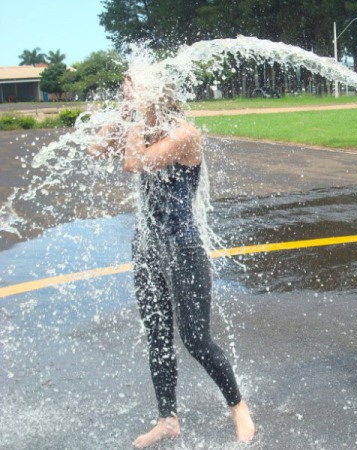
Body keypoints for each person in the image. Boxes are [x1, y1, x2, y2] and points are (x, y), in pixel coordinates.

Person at [89, 75, 256, 447]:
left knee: (196, 339)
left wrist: (132, 119)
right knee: (158, 335)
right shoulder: (142, 129)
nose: (130, 97)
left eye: (136, 91)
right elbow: (96, 148)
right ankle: (167, 419)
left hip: (183, 248)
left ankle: (238, 406)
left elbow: (134, 164)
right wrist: (124, 113)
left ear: (158, 94)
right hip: (147, 246)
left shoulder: (183, 135)